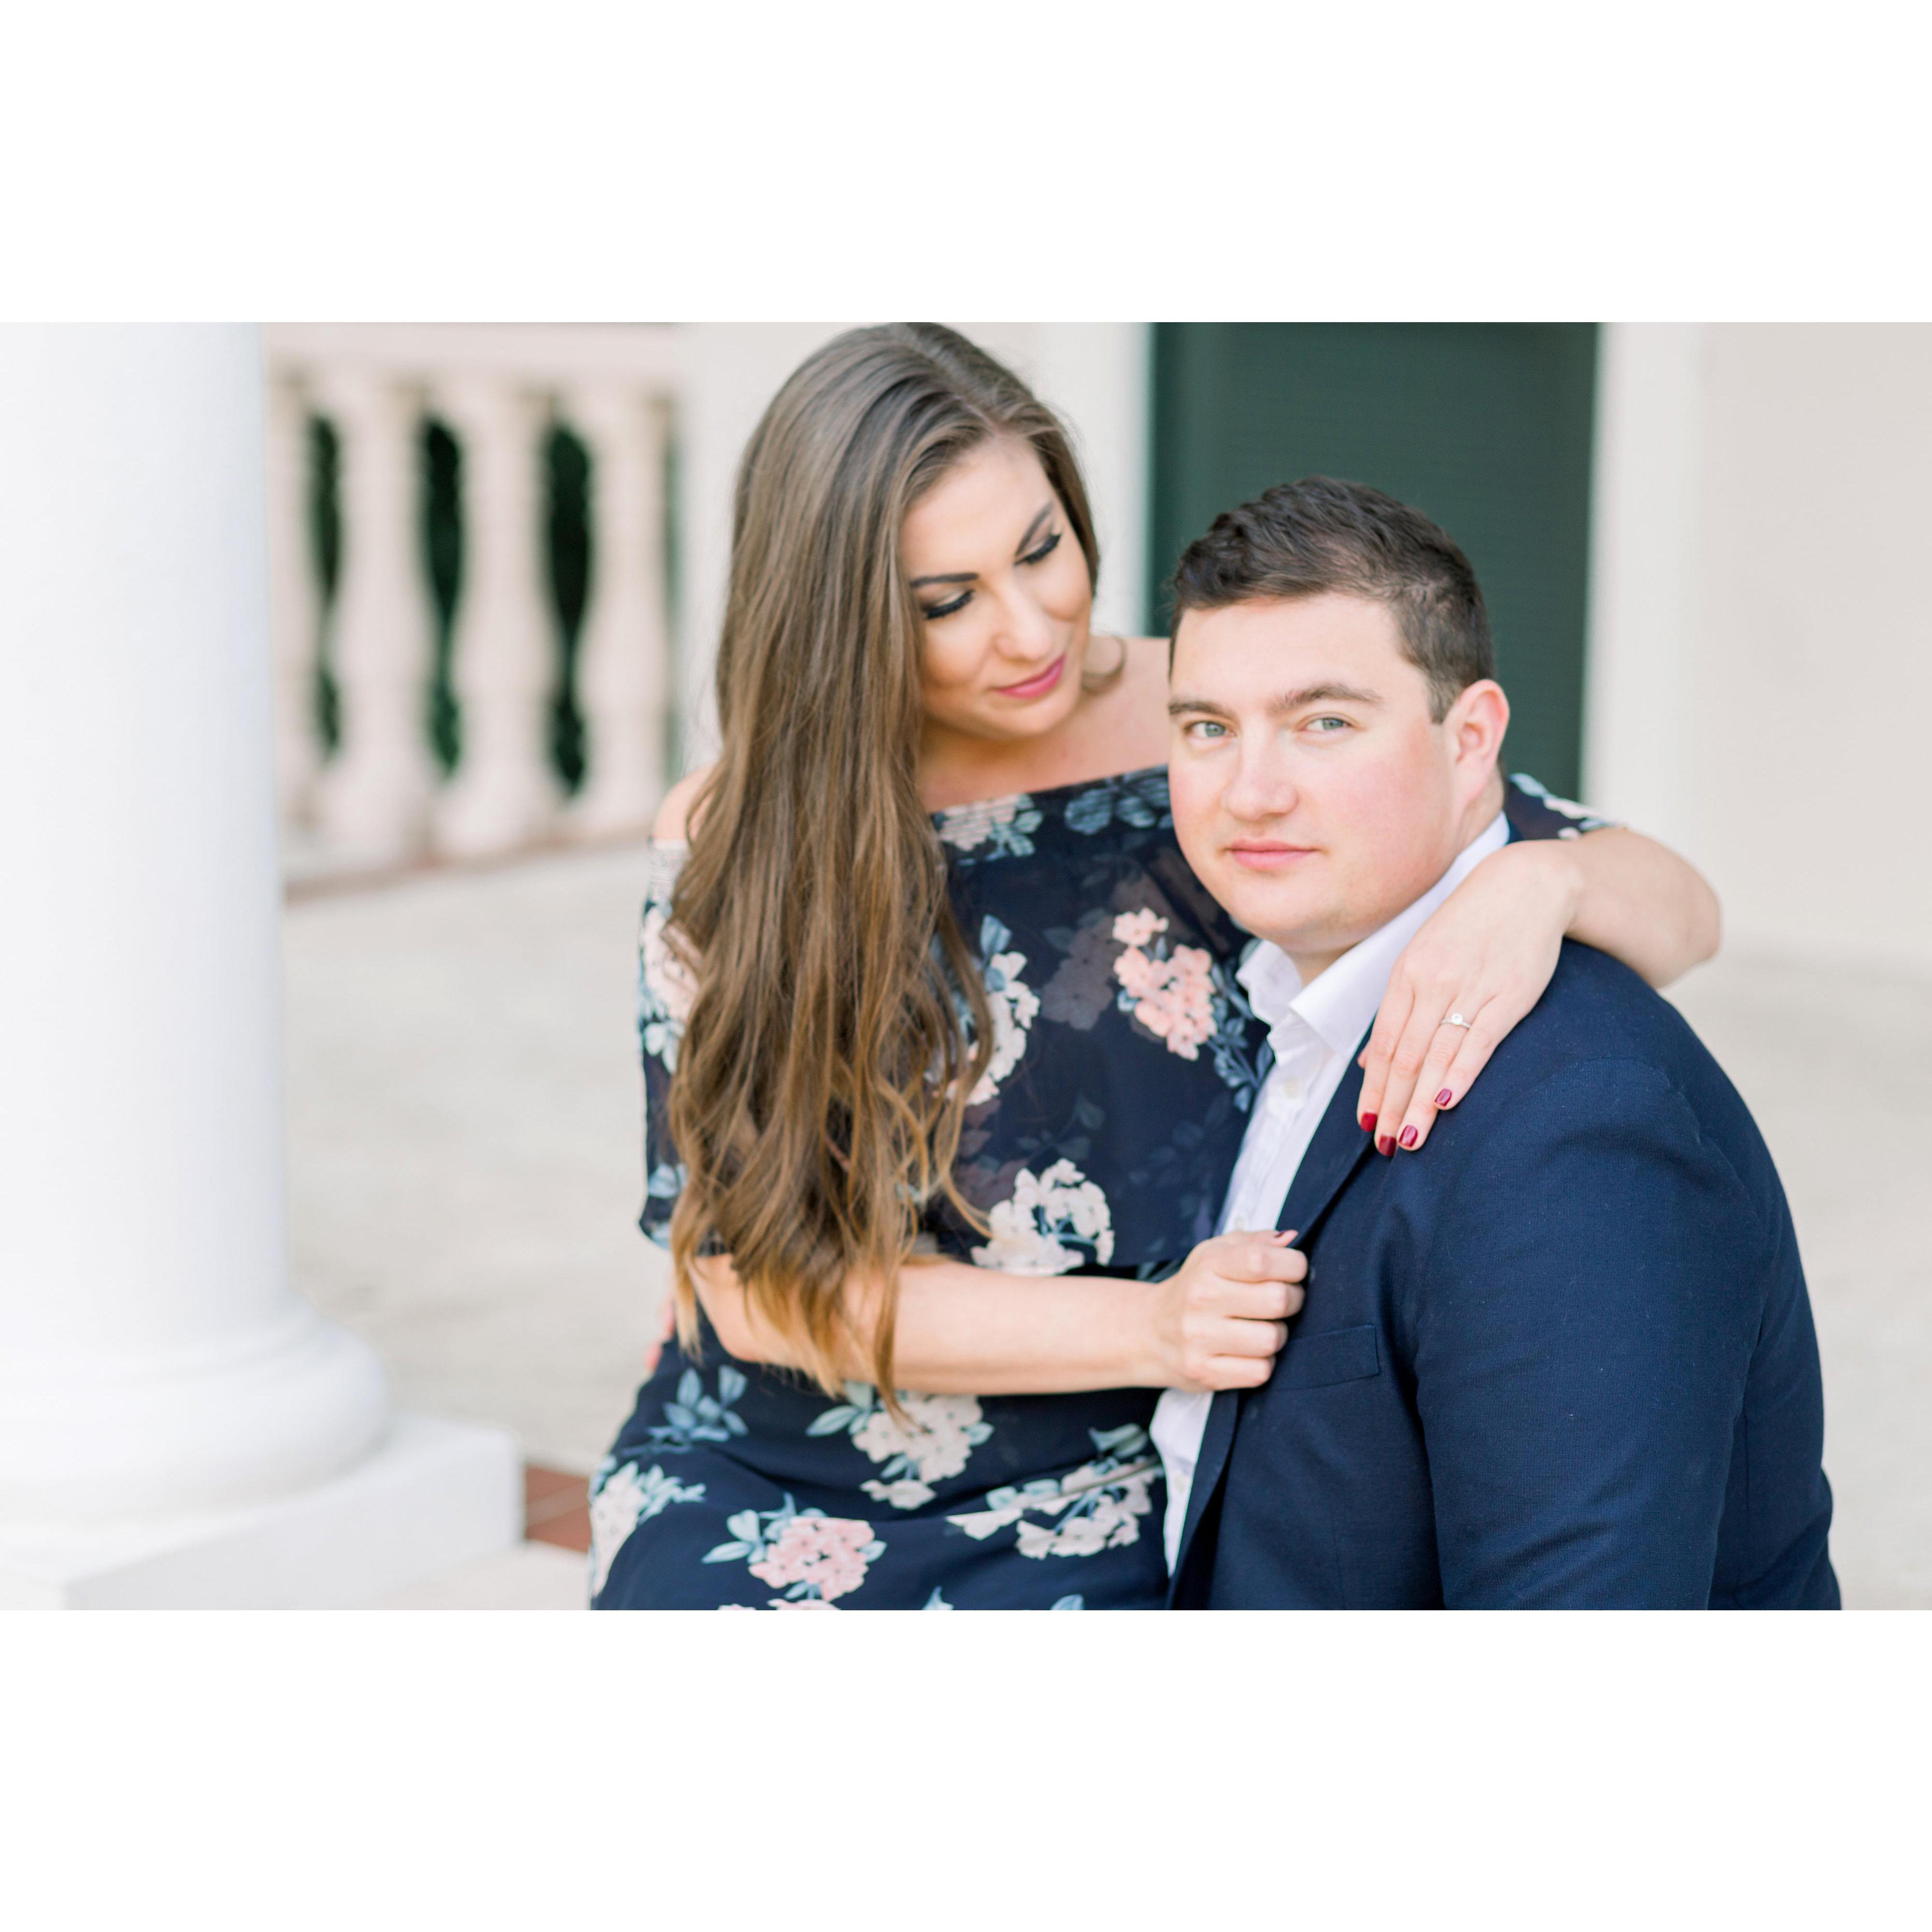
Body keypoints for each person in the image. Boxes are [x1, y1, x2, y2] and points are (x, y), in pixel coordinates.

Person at [590, 325, 1721, 1611]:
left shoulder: (1213, 723)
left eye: (1041, 549)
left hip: (1116, 1471)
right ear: (838, 625)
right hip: (778, 1454)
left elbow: (1684, 912)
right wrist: (1155, 1326)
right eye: (947, 602)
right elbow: (754, 1290)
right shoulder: (741, 832)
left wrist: (1540, 883)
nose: (1030, 629)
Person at [1158, 476, 1837, 1609]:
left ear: (1469, 739)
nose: (1251, 790)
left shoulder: (1578, 1123)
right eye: (1207, 729)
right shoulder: (1293, 989)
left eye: (1324, 722)